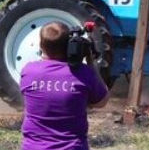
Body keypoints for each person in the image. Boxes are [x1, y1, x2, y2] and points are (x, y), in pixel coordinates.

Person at [20, 22, 109, 150]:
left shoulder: (28, 71)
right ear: (68, 45)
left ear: (41, 45)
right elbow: (102, 102)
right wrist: (91, 62)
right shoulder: (83, 73)